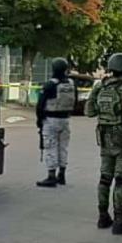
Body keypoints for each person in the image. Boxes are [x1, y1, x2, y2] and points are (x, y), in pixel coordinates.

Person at [86, 53, 122, 234]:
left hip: (105, 138)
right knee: (121, 179)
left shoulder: (103, 88)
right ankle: (119, 220)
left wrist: (95, 90)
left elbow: (89, 111)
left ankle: (103, 216)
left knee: (105, 178)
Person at [36, 58, 76, 187]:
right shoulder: (71, 83)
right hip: (66, 120)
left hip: (51, 119)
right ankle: (62, 175)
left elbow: (40, 104)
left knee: (50, 147)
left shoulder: (50, 84)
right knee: (63, 147)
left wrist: (39, 120)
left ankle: (51, 176)